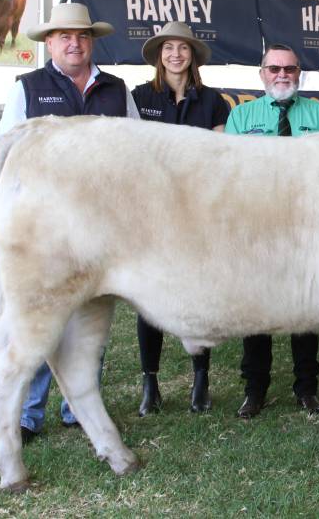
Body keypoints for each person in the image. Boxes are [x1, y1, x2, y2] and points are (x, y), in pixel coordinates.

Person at [0, 2, 139, 444]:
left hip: (100, 222)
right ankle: (28, 412)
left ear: (91, 40)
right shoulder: (28, 87)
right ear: (50, 43)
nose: (73, 43)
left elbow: (135, 152)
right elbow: (6, 155)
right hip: (46, 224)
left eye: (81, 36)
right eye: (64, 36)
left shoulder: (117, 89)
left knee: (92, 313)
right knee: (39, 309)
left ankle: (77, 404)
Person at [225, 43, 319, 419]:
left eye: (289, 69)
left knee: (305, 311)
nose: (282, 75)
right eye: (274, 69)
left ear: (299, 73)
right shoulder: (241, 117)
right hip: (257, 228)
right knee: (256, 312)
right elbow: (229, 175)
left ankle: (307, 389)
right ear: (262, 74)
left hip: (308, 228)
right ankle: (254, 390)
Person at [131, 21, 232, 416]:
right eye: (168, 48)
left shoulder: (214, 101)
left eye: (183, 48)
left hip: (197, 211)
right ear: (159, 54)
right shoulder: (139, 97)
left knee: (199, 292)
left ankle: (201, 378)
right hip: (152, 211)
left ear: (193, 55)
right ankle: (150, 383)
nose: (176, 54)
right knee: (148, 296)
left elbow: (219, 157)